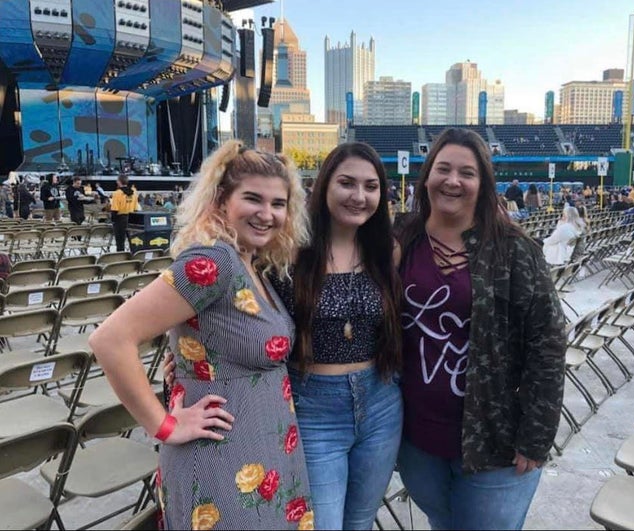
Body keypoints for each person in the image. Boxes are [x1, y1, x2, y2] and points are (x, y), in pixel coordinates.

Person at [88, 140, 314, 530]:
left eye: (278, 204)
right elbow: (110, 339)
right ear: (221, 200)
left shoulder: (250, 262)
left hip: (266, 452)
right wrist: (163, 425)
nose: (267, 213)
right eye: (253, 199)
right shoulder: (214, 260)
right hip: (221, 461)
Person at [396, 128, 566, 530]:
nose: (453, 181)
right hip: (416, 438)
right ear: (426, 177)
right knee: (443, 523)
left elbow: (548, 343)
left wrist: (536, 436)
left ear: (483, 184)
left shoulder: (514, 249)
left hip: (495, 442)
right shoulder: (401, 238)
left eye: (466, 173)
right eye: (443, 169)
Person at [273, 142, 403, 530]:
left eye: (371, 186)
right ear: (324, 185)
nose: (359, 196)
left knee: (361, 520)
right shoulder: (288, 252)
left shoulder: (386, 251)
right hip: (313, 406)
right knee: (323, 523)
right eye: (347, 183)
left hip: (381, 401)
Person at [109, 174, 139, 252]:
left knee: (120, 242)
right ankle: (134, 255)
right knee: (132, 241)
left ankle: (121, 258)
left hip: (120, 219)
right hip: (131, 218)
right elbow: (136, 208)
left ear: (119, 182)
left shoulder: (117, 193)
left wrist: (113, 221)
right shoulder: (134, 193)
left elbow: (115, 209)